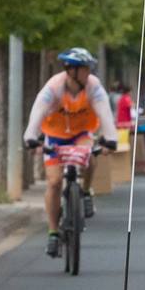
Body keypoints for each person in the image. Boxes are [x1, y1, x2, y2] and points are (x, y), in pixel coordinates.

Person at [22, 47, 117, 257]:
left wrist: (111, 138)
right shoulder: (54, 87)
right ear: (71, 70)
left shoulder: (93, 86)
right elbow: (37, 111)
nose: (89, 73)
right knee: (54, 182)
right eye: (85, 69)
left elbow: (105, 112)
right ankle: (54, 232)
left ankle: (84, 192)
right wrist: (30, 137)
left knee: (89, 157)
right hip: (55, 136)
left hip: (81, 133)